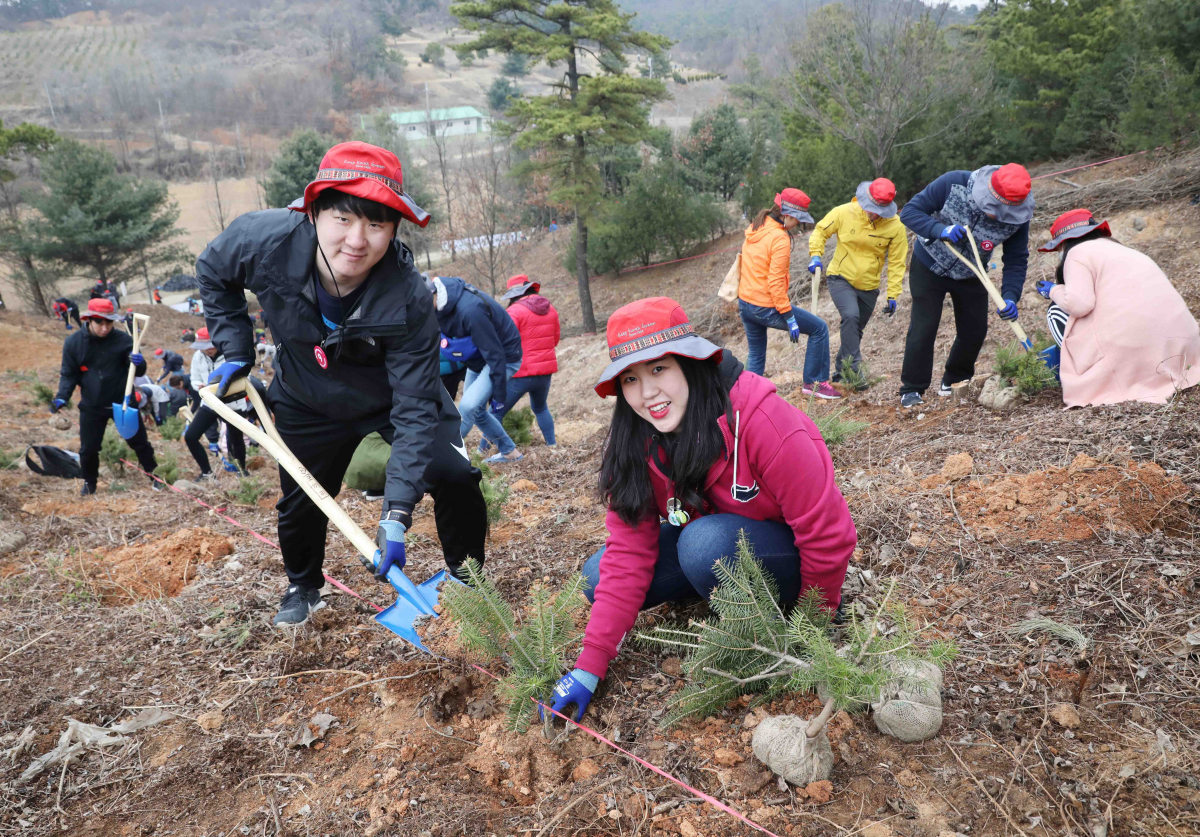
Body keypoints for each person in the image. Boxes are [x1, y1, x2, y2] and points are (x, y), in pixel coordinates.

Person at [196, 140, 489, 626]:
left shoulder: (409, 299)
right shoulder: (262, 241)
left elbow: (416, 407)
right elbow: (213, 271)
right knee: (302, 496)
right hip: (307, 395)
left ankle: (467, 581)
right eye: (343, 219)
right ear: (314, 213)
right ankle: (304, 586)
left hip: (391, 397)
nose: (357, 239)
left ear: (393, 230)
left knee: (456, 476)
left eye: (376, 224)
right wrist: (236, 350)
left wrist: (396, 513)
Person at [541, 297, 857, 722]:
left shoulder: (763, 421)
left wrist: (811, 628)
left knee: (701, 544)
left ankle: (749, 598)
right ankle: (711, 583)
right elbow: (628, 550)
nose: (647, 392)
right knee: (597, 577)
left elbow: (827, 533)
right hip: (718, 548)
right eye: (630, 379)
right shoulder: (636, 438)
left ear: (690, 362)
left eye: (658, 369)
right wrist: (588, 668)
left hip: (787, 557)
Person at [897, 163, 1035, 408]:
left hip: (973, 271)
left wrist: (1011, 296)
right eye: (994, 208)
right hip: (929, 263)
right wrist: (940, 230)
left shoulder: (1019, 218)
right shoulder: (953, 183)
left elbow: (1016, 259)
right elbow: (910, 212)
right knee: (924, 327)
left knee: (975, 329)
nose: (996, 215)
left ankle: (955, 380)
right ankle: (912, 388)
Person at [1034, 209, 1200, 407]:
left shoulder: (1077, 253)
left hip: (1136, 351)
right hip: (1182, 344)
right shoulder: (1123, 250)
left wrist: (1054, 290)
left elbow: (1079, 305)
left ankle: (1086, 371)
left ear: (1063, 243)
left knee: (1056, 310)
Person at [737, 188, 840, 399]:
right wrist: (789, 317)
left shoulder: (757, 226)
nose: (798, 226)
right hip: (765, 306)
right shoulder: (779, 238)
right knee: (819, 329)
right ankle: (814, 383)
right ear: (788, 215)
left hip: (746, 303)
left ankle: (744, 398)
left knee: (756, 354)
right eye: (798, 220)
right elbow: (775, 283)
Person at [50, 298, 159, 496]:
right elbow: (69, 374)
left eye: (109, 322)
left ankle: (156, 477)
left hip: (123, 401)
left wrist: (140, 362)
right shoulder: (74, 343)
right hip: (92, 404)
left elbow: (139, 371)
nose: (105, 327)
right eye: (100, 322)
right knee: (89, 449)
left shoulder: (125, 341)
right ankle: (89, 483)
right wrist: (62, 397)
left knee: (140, 443)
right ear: (89, 320)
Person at [808, 178, 909, 386]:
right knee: (850, 316)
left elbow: (898, 262)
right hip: (840, 277)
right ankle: (855, 371)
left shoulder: (895, 227)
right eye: (871, 208)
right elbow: (820, 231)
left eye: (878, 211)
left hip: (869, 286)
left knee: (855, 330)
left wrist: (893, 294)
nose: (873, 214)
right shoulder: (845, 212)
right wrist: (816, 255)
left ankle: (840, 374)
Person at [428, 274, 525, 464]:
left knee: (467, 407)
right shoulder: (437, 306)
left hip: (503, 357)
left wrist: (499, 395)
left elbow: (496, 353)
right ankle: (510, 452)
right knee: (477, 411)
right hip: (479, 358)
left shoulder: (470, 310)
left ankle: (445, 458)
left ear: (431, 295)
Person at [495, 273, 559, 448]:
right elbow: (555, 340)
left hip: (520, 373)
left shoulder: (514, 311)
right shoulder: (550, 309)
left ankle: (484, 451)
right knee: (540, 408)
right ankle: (552, 446)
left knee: (495, 413)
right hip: (544, 373)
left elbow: (504, 342)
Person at [184, 328, 251, 477]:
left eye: (209, 346)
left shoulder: (232, 355)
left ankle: (241, 471)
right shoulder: (198, 356)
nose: (206, 350)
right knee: (191, 436)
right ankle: (206, 473)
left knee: (236, 439)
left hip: (232, 405)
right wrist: (199, 386)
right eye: (202, 348)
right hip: (209, 404)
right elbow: (194, 378)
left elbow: (246, 378)